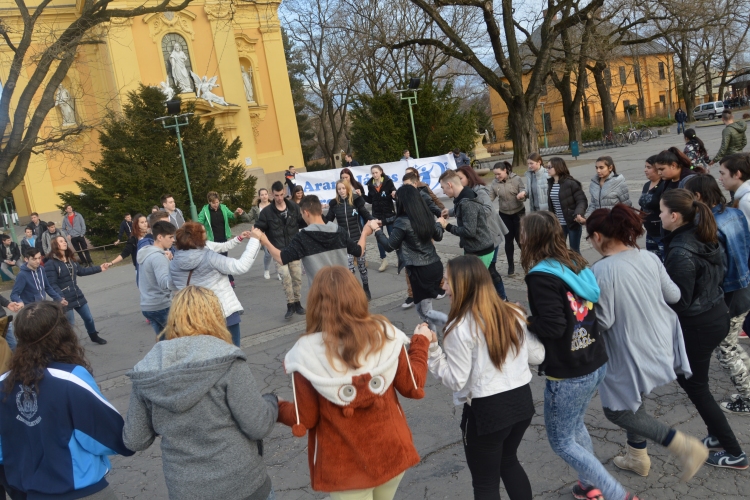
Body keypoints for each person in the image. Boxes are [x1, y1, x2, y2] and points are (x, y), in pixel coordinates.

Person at [277, 266, 430, 500]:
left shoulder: (305, 353)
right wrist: (420, 342)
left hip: (344, 471)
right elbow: (413, 385)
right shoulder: (385, 334)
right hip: (391, 454)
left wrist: (277, 407)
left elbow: (304, 418)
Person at [521, 211, 639, 500]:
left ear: (532, 237)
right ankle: (589, 484)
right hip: (593, 359)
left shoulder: (540, 276)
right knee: (574, 426)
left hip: (569, 370)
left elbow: (552, 325)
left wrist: (524, 320)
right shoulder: (574, 260)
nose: (519, 236)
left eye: (523, 232)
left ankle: (615, 493)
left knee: (562, 441)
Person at [123, 286, 279, 500]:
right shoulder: (227, 359)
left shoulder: (147, 370)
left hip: (186, 491)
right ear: (215, 315)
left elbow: (135, 440)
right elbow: (258, 425)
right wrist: (272, 402)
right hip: (243, 484)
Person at [586, 205, 706, 481]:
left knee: (617, 411)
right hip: (660, 340)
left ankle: (683, 445)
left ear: (597, 236)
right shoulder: (649, 257)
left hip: (628, 349)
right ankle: (637, 457)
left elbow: (603, 321)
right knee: (634, 401)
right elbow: (674, 295)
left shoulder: (602, 270)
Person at [428, 255, 544, 500]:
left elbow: (456, 381)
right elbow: (537, 355)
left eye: (447, 281)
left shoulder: (458, 328)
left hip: (487, 411)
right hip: (522, 402)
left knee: (485, 483)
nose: (444, 286)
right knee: (509, 462)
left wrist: (433, 352)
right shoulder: (512, 311)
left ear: (463, 285)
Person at [0, 301, 134, 499]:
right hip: (77, 489)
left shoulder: (3, 383)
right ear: (62, 333)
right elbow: (107, 434)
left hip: (28, 490)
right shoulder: (70, 378)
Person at [660, 189, 748, 469]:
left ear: (674, 216)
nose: (659, 216)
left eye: (661, 212)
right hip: (714, 314)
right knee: (691, 381)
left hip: (700, 323)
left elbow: (680, 300)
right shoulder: (701, 235)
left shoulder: (680, 251)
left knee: (696, 386)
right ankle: (717, 435)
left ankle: (734, 453)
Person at [684, 174, 750, 415]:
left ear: (698, 197)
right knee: (731, 344)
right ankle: (748, 388)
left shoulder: (709, 224)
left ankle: (747, 398)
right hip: (744, 285)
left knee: (726, 350)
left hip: (729, 293)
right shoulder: (734, 213)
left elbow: (717, 266)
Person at [257, 195, 372, 297]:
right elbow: (359, 251)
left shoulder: (303, 237)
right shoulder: (339, 231)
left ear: (306, 213)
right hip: (345, 291)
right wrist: (365, 232)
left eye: (301, 214)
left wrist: (265, 240)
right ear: (321, 210)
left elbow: (281, 258)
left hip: (322, 295)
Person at [170, 222, 260, 347]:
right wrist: (255, 240)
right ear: (198, 237)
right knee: (233, 353)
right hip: (223, 313)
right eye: (203, 233)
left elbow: (171, 286)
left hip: (195, 317)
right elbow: (241, 267)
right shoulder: (209, 257)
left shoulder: (174, 262)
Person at [371, 185, 446, 331]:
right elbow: (438, 236)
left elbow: (389, 246)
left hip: (419, 270)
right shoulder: (424, 215)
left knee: (425, 312)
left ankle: (443, 331)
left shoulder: (403, 221)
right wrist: (438, 224)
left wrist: (377, 230)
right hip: (434, 265)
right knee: (424, 309)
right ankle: (436, 336)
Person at [452, 166, 508, 299]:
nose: (457, 182)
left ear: (469, 177)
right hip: (479, 238)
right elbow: (462, 207)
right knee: (482, 272)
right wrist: (449, 212)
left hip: (490, 235)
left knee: (490, 271)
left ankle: (503, 299)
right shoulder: (464, 192)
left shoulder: (479, 191)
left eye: (460, 178)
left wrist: (472, 213)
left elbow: (488, 209)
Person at [253, 181, 305, 320]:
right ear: (272, 194)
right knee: (285, 278)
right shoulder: (267, 212)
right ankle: (290, 304)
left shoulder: (293, 206)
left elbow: (302, 221)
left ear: (285, 193)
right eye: (276, 195)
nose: (280, 198)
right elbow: (259, 227)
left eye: (282, 195)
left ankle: (298, 303)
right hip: (278, 251)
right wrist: (254, 234)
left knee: (297, 277)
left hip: (294, 249)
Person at [45, 235, 109, 345]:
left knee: (88, 318)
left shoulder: (70, 259)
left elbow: (81, 271)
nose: (65, 242)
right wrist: (60, 297)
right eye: (61, 241)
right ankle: (69, 345)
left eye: (64, 240)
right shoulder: (50, 263)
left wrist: (99, 268)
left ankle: (94, 336)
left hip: (76, 294)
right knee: (70, 324)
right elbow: (52, 284)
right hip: (64, 298)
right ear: (55, 245)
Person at [325, 180, 373, 297]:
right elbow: (327, 221)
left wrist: (375, 222)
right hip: (344, 241)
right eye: (339, 189)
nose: (341, 191)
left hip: (358, 239)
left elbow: (366, 215)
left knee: (362, 267)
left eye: (343, 188)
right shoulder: (334, 204)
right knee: (349, 269)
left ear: (347, 188)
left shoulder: (356, 201)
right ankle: (354, 292)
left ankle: (366, 287)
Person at [437, 170, 495, 267]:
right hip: (474, 249)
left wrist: (447, 226)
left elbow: (469, 231)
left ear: (449, 184)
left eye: (443, 188)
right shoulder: (463, 197)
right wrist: (451, 212)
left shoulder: (467, 203)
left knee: (479, 281)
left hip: (480, 251)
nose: (443, 191)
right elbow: (466, 214)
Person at [137, 221, 176, 337]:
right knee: (177, 340)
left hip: (147, 305)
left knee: (163, 343)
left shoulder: (145, 253)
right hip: (161, 305)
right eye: (170, 237)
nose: (173, 240)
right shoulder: (158, 257)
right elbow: (165, 283)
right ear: (160, 237)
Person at [197, 191, 244, 287]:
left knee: (223, 259)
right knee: (216, 261)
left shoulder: (223, 208)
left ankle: (228, 279)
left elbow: (232, 216)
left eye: (217, 202)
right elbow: (199, 222)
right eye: (213, 203)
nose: (216, 205)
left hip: (223, 238)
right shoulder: (205, 210)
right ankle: (224, 280)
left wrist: (236, 212)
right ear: (209, 202)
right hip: (212, 240)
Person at [489, 161, 525, 275]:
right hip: (504, 214)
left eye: (499, 174)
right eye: (495, 174)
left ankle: (527, 262)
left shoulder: (516, 179)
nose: (497, 177)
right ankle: (511, 266)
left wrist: (522, 195)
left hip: (518, 213)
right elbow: (490, 198)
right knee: (508, 241)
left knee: (521, 240)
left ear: (505, 170)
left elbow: (524, 192)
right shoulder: (494, 183)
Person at [546, 157, 588, 254]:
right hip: (558, 224)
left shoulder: (571, 183)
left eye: (549, 167)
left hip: (572, 222)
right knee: (559, 250)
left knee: (574, 251)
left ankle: (579, 268)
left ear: (558, 167)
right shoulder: (551, 183)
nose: (547, 169)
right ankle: (565, 268)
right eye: (546, 167)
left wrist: (578, 213)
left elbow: (581, 200)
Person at [364, 164, 397, 272]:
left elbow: (395, 195)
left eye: (376, 172)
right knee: (379, 238)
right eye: (373, 173)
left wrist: (394, 194)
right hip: (377, 215)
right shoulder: (370, 185)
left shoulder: (388, 181)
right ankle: (384, 260)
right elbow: (370, 200)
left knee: (394, 236)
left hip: (389, 214)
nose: (374, 175)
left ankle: (399, 258)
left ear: (381, 172)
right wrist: (362, 195)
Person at [106, 213, 148, 280]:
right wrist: (111, 263)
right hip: (141, 269)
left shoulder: (151, 235)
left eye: (146, 221)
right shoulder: (133, 239)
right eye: (142, 222)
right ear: (137, 225)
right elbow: (124, 253)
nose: (145, 224)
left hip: (153, 267)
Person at [639, 155, 665, 259]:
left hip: (661, 232)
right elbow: (643, 207)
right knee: (654, 261)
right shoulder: (646, 185)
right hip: (650, 232)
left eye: (649, 167)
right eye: (645, 167)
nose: (645, 170)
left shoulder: (664, 185)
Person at [246, 188, 275, 279]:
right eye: (262, 194)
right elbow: (248, 218)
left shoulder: (273, 205)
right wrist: (241, 213)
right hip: (262, 233)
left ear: (268, 195)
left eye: (265, 194)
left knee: (277, 251)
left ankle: (280, 271)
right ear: (259, 196)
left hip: (274, 232)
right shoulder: (255, 208)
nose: (264, 196)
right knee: (268, 253)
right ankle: (266, 270)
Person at [718, 153, 750, 222]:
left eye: (723, 173)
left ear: (737, 174)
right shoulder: (743, 197)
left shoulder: (745, 201)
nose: (720, 178)